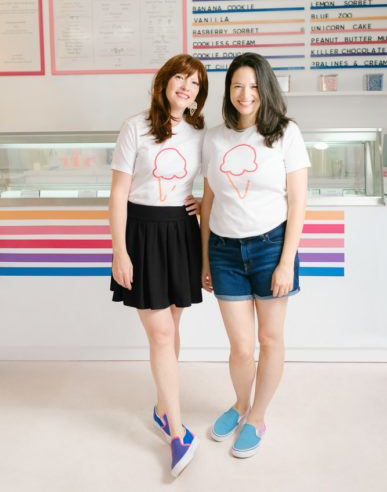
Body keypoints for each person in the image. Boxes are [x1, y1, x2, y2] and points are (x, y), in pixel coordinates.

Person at [201, 52, 310, 458]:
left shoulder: (285, 134)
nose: (245, 94)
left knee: (270, 338)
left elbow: (298, 203)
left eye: (253, 86)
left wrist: (286, 261)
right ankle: (240, 403)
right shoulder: (214, 137)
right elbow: (209, 201)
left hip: (270, 249)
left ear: (265, 88)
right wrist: (205, 260)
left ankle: (257, 416)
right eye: (236, 86)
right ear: (228, 91)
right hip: (225, 251)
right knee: (241, 347)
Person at [109, 54, 208, 477]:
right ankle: (178, 432)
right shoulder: (136, 128)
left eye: (196, 84)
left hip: (181, 231)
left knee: (173, 328)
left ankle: (163, 408)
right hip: (143, 233)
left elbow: (213, 182)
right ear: (166, 82)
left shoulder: (200, 133)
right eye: (181, 79)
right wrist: (120, 251)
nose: (187, 87)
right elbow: (118, 194)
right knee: (161, 332)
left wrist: (205, 202)